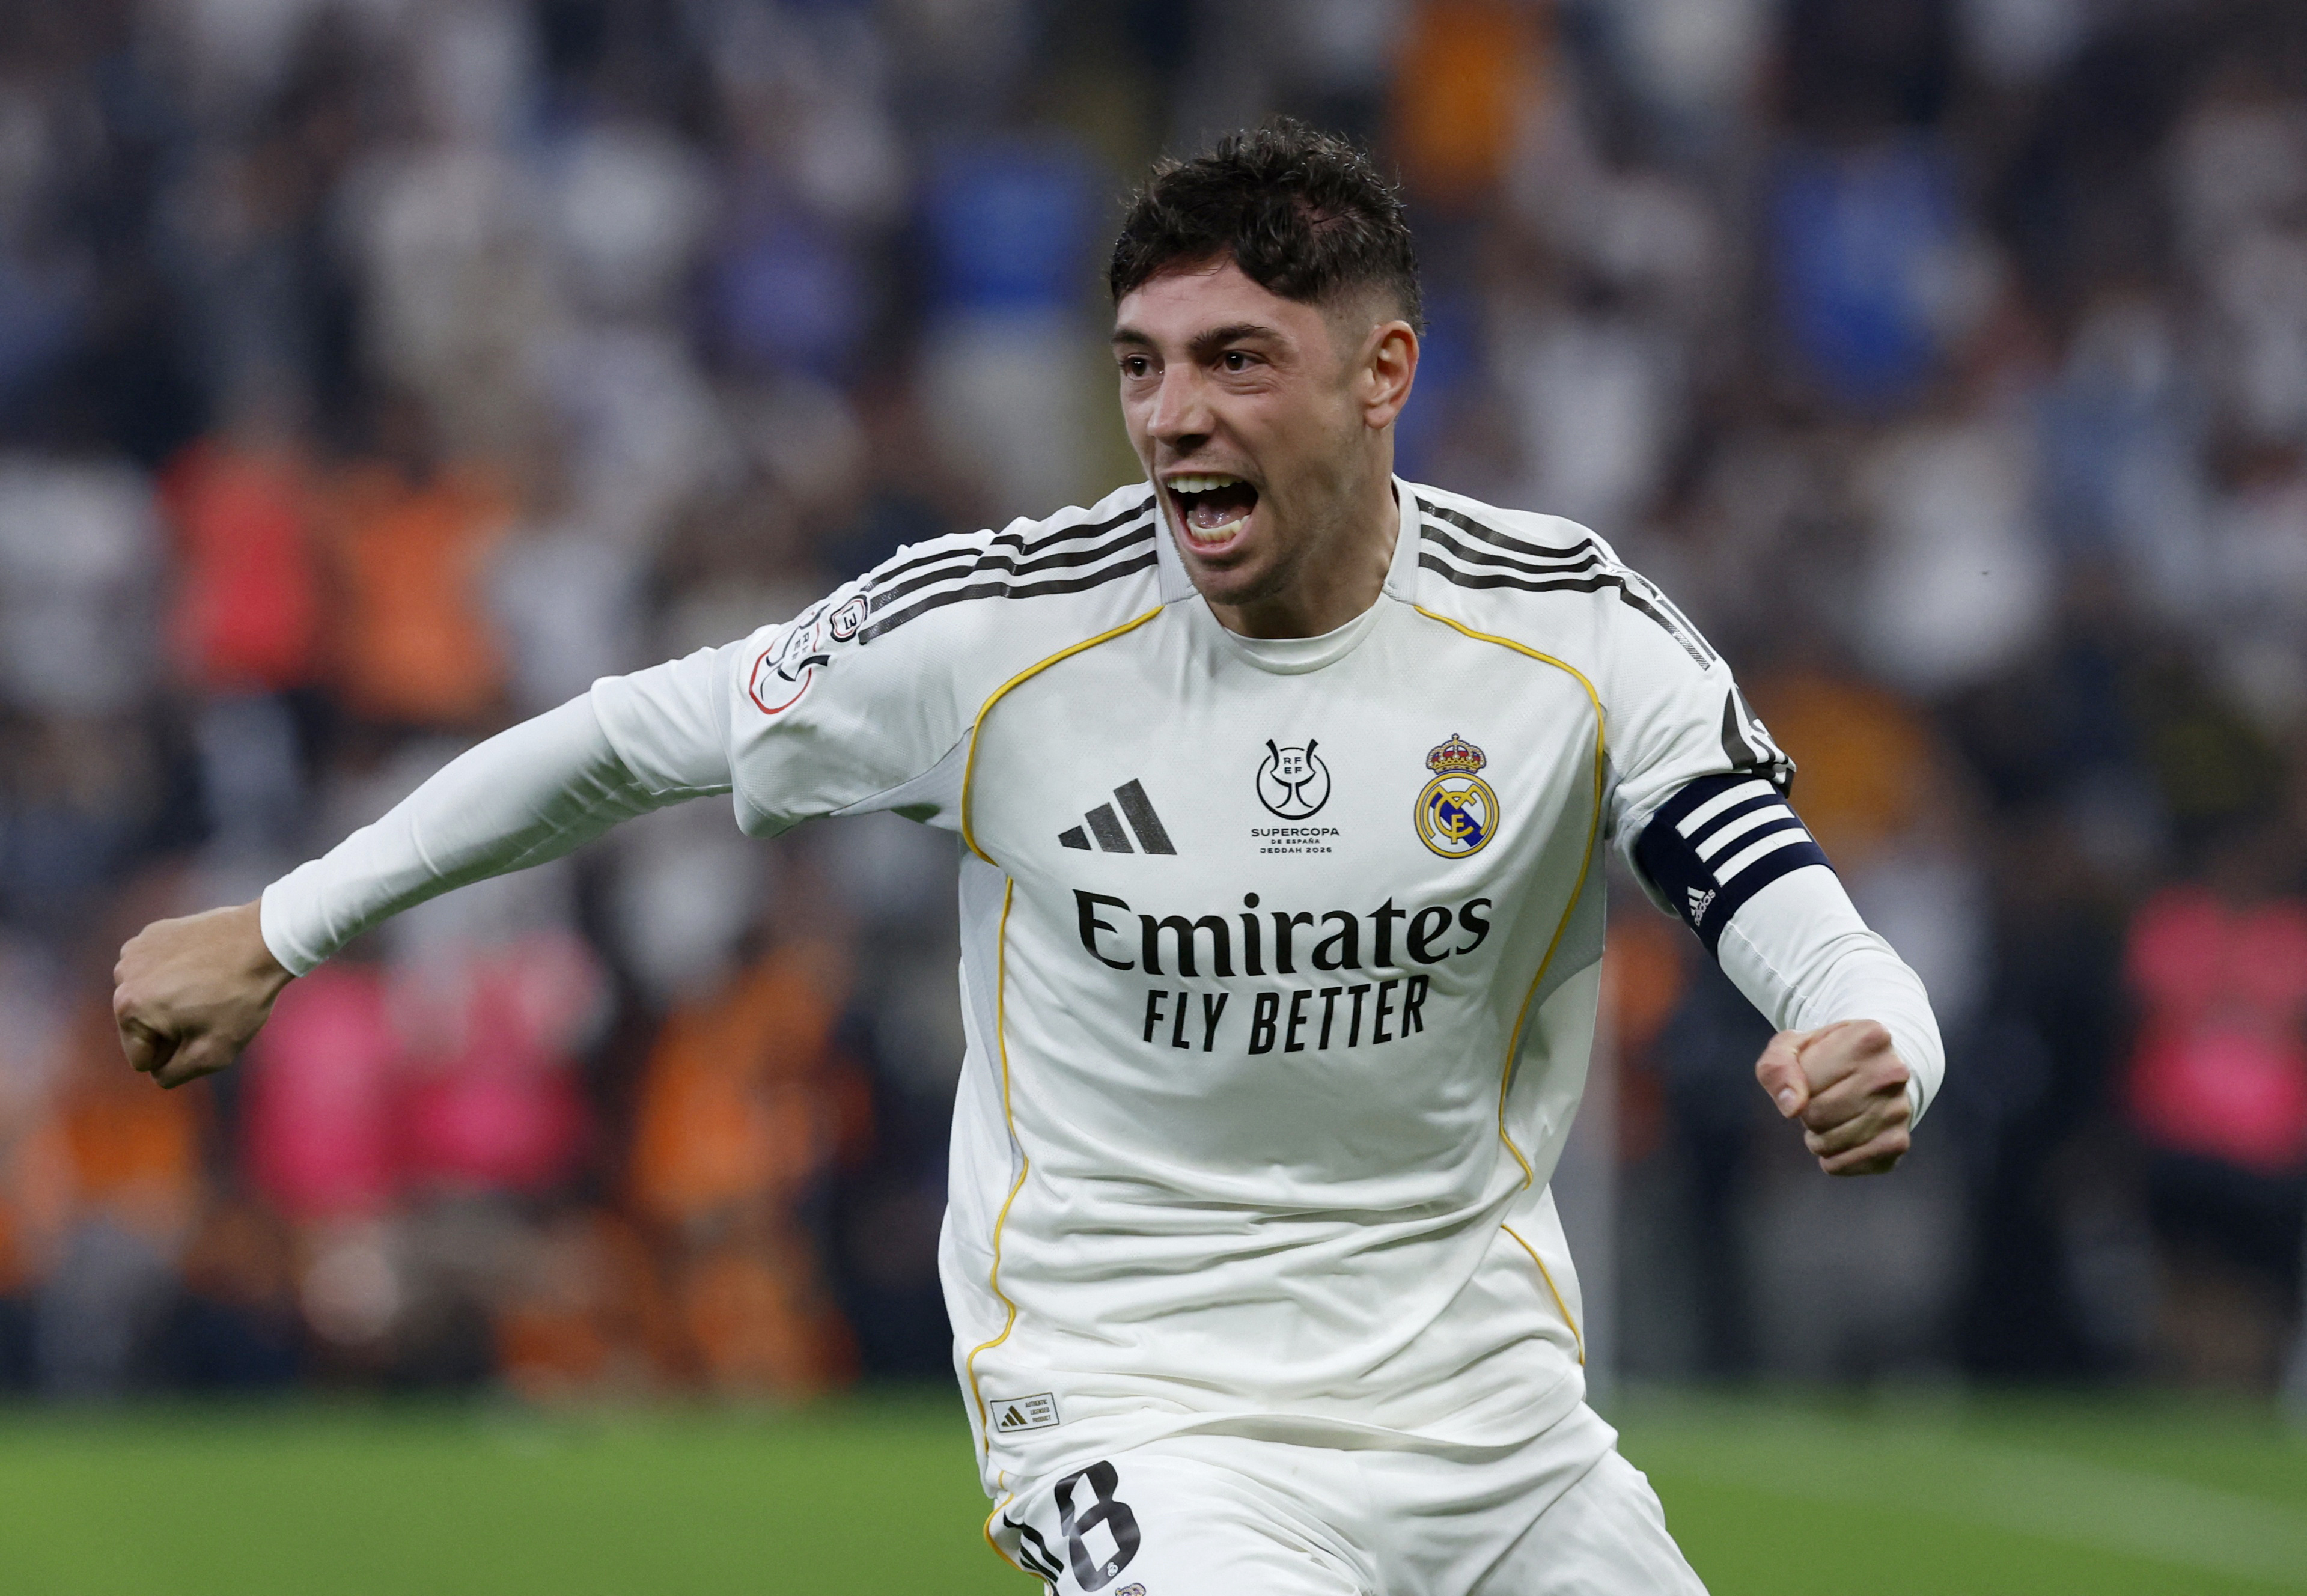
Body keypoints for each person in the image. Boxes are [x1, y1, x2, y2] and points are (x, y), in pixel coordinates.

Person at [114, 123, 1939, 1595]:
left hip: (1497, 1430)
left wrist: (1874, 1032)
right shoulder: (1001, 633)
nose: (1173, 419)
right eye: (1142, 368)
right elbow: (621, 740)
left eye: (1238, 361)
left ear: (1386, 373)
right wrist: (285, 927)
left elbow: (1773, 891)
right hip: (1141, 1412)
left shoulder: (1564, 630)